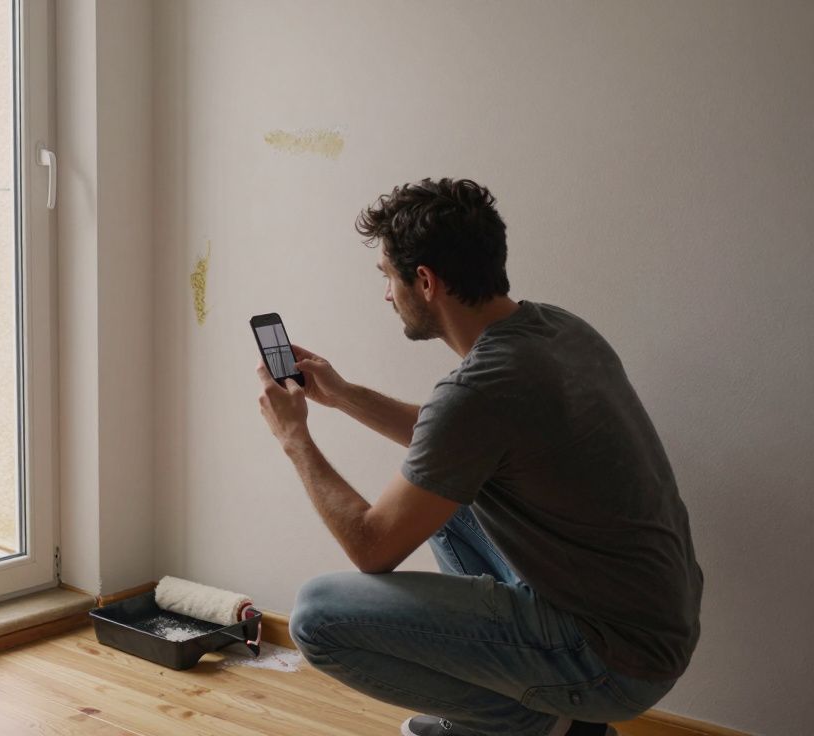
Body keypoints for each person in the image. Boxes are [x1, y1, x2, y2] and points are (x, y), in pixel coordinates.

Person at [254, 178, 703, 736]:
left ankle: (529, 723)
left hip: (611, 662)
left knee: (318, 616)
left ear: (425, 282)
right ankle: (562, 718)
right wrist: (343, 395)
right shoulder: (559, 329)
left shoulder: (479, 390)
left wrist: (294, 438)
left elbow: (371, 548)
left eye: (388, 279)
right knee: (442, 491)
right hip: (656, 622)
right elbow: (453, 441)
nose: (386, 295)